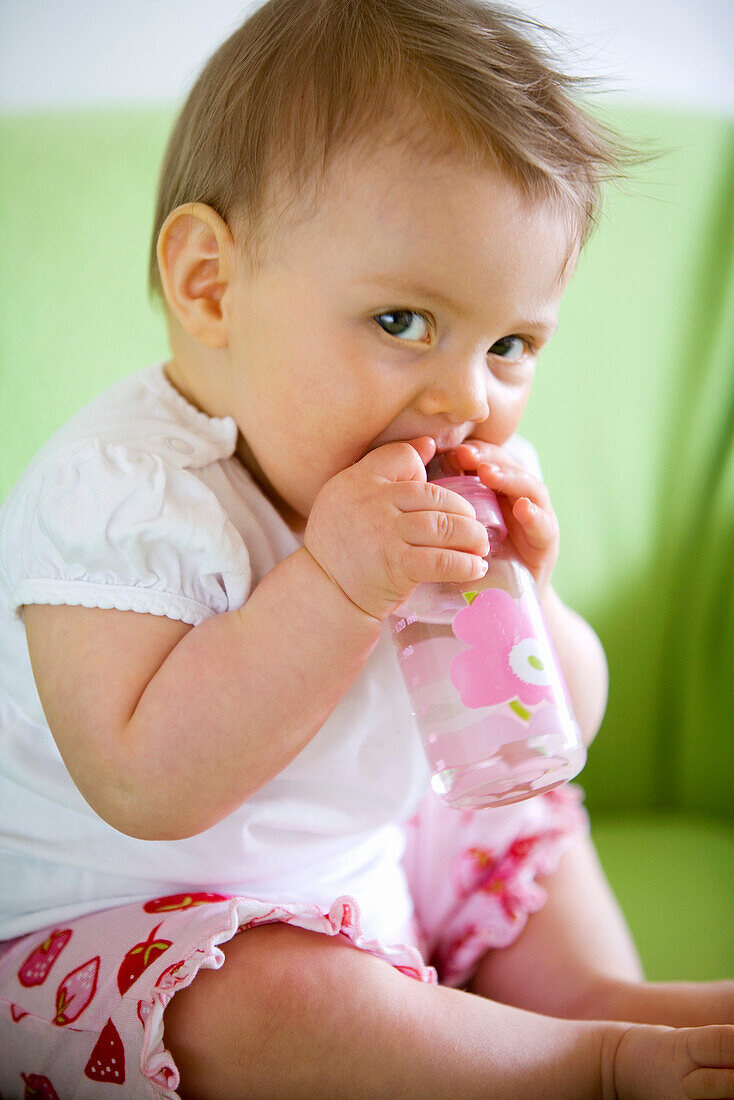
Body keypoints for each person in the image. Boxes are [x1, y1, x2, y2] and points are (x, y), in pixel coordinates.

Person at [1, 0, 732, 1095]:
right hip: (134, 926)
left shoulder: (421, 475)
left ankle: (596, 1000)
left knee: (517, 807)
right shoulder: (122, 490)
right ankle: (580, 1064)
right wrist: (335, 585)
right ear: (211, 284)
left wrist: (528, 595)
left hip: (371, 868)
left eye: (510, 345)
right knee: (270, 1005)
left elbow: (561, 725)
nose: (464, 397)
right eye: (401, 322)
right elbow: (144, 781)